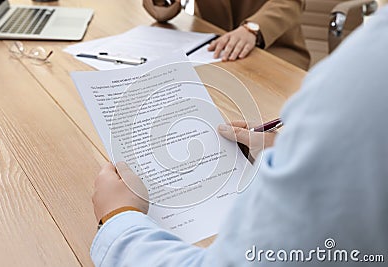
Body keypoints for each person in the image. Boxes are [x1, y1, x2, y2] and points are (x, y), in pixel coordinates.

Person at [91, 5, 388, 267]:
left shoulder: (369, 68)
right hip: (211, 47)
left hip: (269, 51)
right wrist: (287, 148)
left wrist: (120, 220)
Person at [143, 0, 310, 70]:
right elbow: (161, 14)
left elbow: (291, 2)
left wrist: (251, 29)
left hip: (273, 49)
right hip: (209, 48)